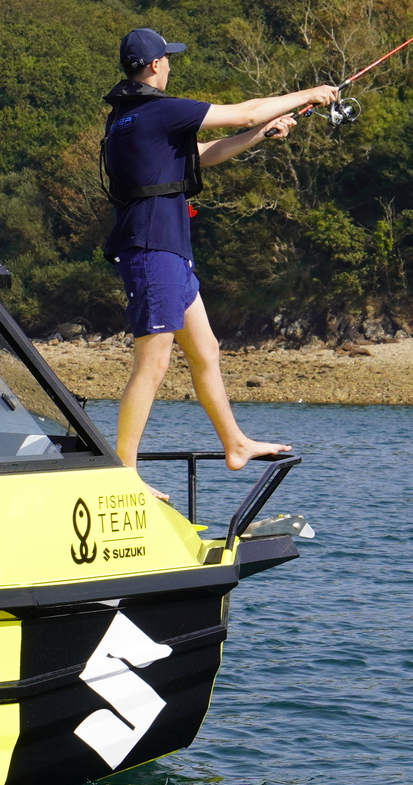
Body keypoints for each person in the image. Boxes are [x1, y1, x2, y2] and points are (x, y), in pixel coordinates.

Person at [101, 27, 337, 493]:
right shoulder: (161, 109)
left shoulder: (125, 119)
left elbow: (202, 157)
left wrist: (259, 135)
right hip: (153, 251)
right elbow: (244, 111)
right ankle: (123, 472)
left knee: (205, 350)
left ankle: (235, 443)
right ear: (154, 66)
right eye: (166, 59)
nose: (169, 64)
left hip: (167, 249)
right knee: (152, 365)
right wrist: (311, 93)